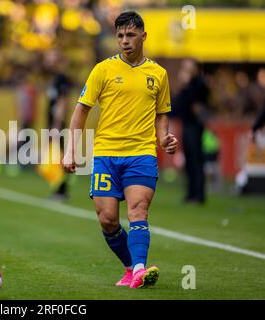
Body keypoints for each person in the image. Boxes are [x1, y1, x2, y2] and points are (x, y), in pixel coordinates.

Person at [62, 11, 178, 289]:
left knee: (138, 211)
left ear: (143, 36)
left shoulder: (158, 74)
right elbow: (81, 111)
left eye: (130, 35)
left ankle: (139, 270)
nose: (125, 41)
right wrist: (70, 151)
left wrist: (163, 139)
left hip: (141, 153)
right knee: (108, 219)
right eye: (120, 36)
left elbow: (162, 113)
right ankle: (130, 267)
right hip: (106, 154)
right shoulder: (102, 70)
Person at [174, 58, 210, 204]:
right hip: (186, 123)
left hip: (195, 125)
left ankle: (199, 195)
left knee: (196, 160)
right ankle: (190, 193)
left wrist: (186, 86)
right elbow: (177, 104)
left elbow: (196, 103)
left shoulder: (199, 84)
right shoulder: (186, 85)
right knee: (188, 160)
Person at [44, 49, 72, 201]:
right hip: (54, 124)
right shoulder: (54, 78)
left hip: (58, 125)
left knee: (59, 157)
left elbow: (63, 102)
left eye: (50, 57)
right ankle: (58, 189)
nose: (47, 61)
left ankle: (62, 191)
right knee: (55, 157)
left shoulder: (61, 78)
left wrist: (56, 125)